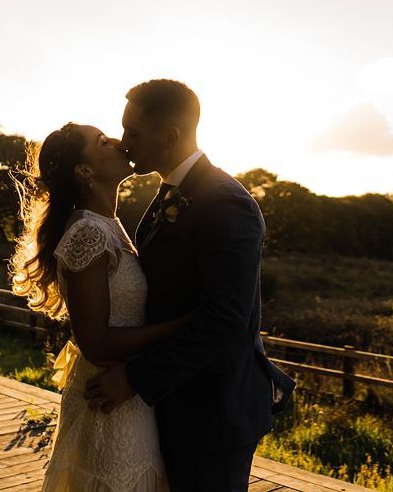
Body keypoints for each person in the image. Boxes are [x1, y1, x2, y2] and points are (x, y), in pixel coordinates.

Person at [85, 79, 286, 492]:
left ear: (171, 136)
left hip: (213, 410)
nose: (124, 143)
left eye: (133, 133)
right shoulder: (168, 195)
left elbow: (225, 317)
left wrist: (136, 378)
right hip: (174, 401)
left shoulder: (226, 202)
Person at [10, 122, 185, 491]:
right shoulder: (88, 232)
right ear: (84, 171)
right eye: (102, 141)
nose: (119, 142)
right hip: (110, 402)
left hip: (127, 396)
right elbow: (96, 343)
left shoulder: (110, 225)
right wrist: (183, 325)